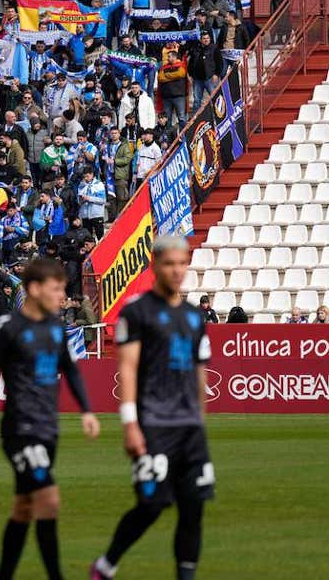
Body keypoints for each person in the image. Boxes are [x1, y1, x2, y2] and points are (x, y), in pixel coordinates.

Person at [91, 236, 214, 580]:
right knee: (153, 503)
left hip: (190, 428)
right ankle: (107, 563)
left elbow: (199, 371)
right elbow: (127, 368)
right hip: (153, 424)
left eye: (182, 263)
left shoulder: (193, 316)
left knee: (193, 508)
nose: (177, 270)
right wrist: (130, 424)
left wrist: (200, 421)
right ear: (154, 265)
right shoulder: (137, 311)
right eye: (169, 263)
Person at [0, 258, 99, 580]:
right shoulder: (7, 329)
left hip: (47, 428)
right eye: (56, 289)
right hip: (19, 429)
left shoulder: (55, 327)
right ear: (35, 289)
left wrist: (86, 410)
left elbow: (69, 369)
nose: (62, 296)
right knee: (49, 501)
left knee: (24, 508)